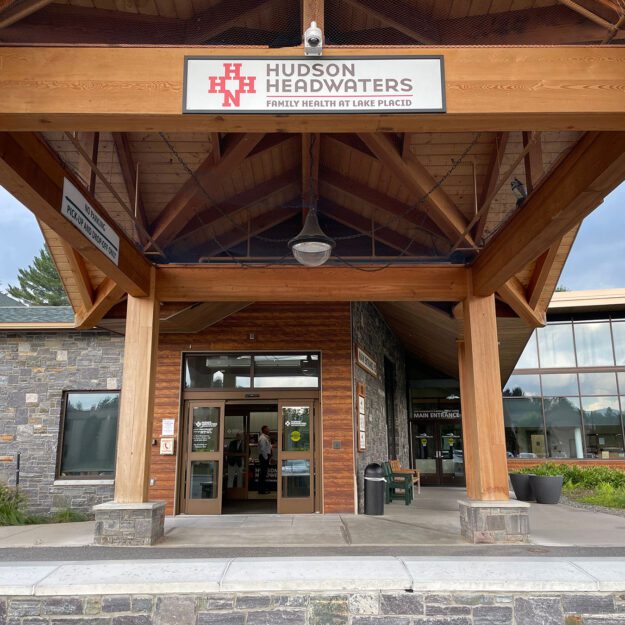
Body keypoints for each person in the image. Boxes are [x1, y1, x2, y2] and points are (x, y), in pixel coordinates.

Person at [258, 425, 272, 494]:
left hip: (265, 457)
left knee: (264, 473)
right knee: (262, 474)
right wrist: (266, 458)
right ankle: (261, 490)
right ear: (264, 430)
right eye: (267, 429)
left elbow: (268, 447)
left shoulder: (266, 437)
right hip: (264, 457)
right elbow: (263, 449)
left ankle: (263, 488)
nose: (269, 430)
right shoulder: (263, 438)